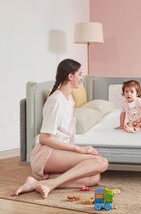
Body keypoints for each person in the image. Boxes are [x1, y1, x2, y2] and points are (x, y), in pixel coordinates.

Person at [11, 59, 108, 199]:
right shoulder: (56, 101)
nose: (82, 78)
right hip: (46, 154)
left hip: (59, 152)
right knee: (101, 162)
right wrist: (78, 149)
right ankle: (51, 184)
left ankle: (36, 183)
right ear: (70, 76)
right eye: (80, 74)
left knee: (94, 178)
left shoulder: (69, 99)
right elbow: (45, 138)